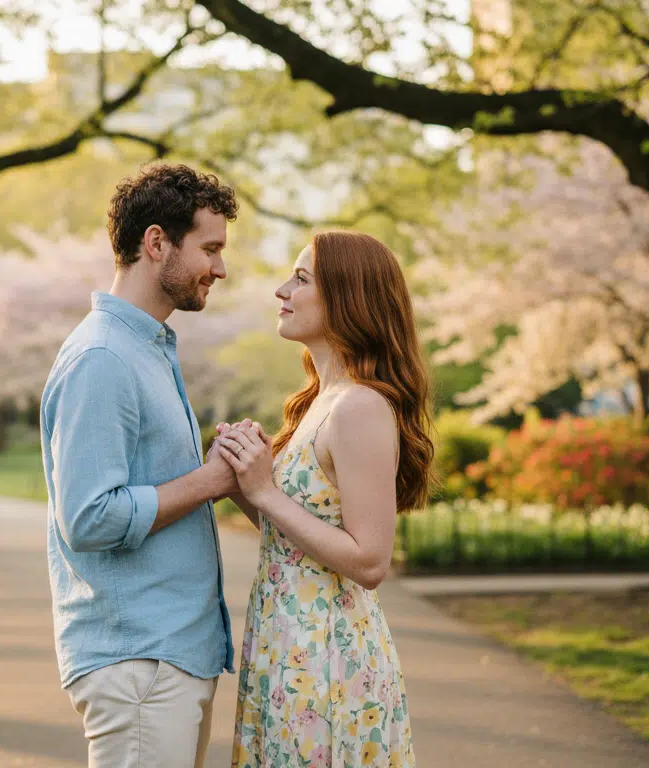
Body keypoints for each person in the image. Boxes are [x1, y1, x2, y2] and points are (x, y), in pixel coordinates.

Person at [40, 162, 241, 767]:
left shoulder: (144, 346)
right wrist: (209, 480)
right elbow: (89, 517)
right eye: (210, 248)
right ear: (157, 243)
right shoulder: (103, 356)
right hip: (139, 667)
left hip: (169, 659)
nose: (221, 269)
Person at [214, 231, 433, 767]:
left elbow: (369, 559)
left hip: (328, 657)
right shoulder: (320, 401)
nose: (281, 290)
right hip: (284, 646)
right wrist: (246, 481)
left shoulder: (359, 408)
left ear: (347, 297)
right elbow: (296, 534)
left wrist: (265, 491)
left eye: (301, 278)